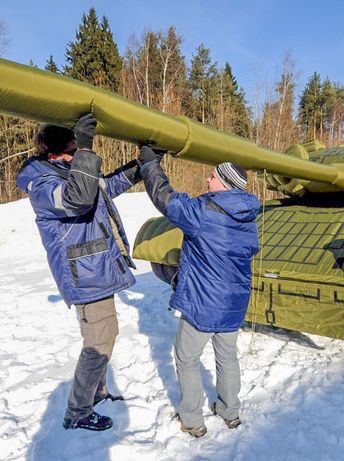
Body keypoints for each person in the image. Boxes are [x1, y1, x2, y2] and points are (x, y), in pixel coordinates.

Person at [15, 114, 141, 431]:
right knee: (98, 343)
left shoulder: (67, 170)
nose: (76, 156)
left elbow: (104, 186)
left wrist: (141, 166)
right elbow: (79, 199)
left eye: (76, 150)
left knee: (105, 337)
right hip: (84, 275)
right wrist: (86, 149)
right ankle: (78, 411)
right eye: (72, 150)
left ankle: (95, 394)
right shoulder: (43, 183)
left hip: (97, 270)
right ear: (53, 152)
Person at [138, 146, 260, 438]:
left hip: (203, 304)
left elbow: (165, 198)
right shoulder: (249, 218)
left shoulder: (203, 213)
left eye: (212, 177)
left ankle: (192, 419)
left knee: (186, 358)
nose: (207, 180)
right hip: (234, 303)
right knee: (227, 357)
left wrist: (150, 163)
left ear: (225, 184)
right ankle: (229, 411)